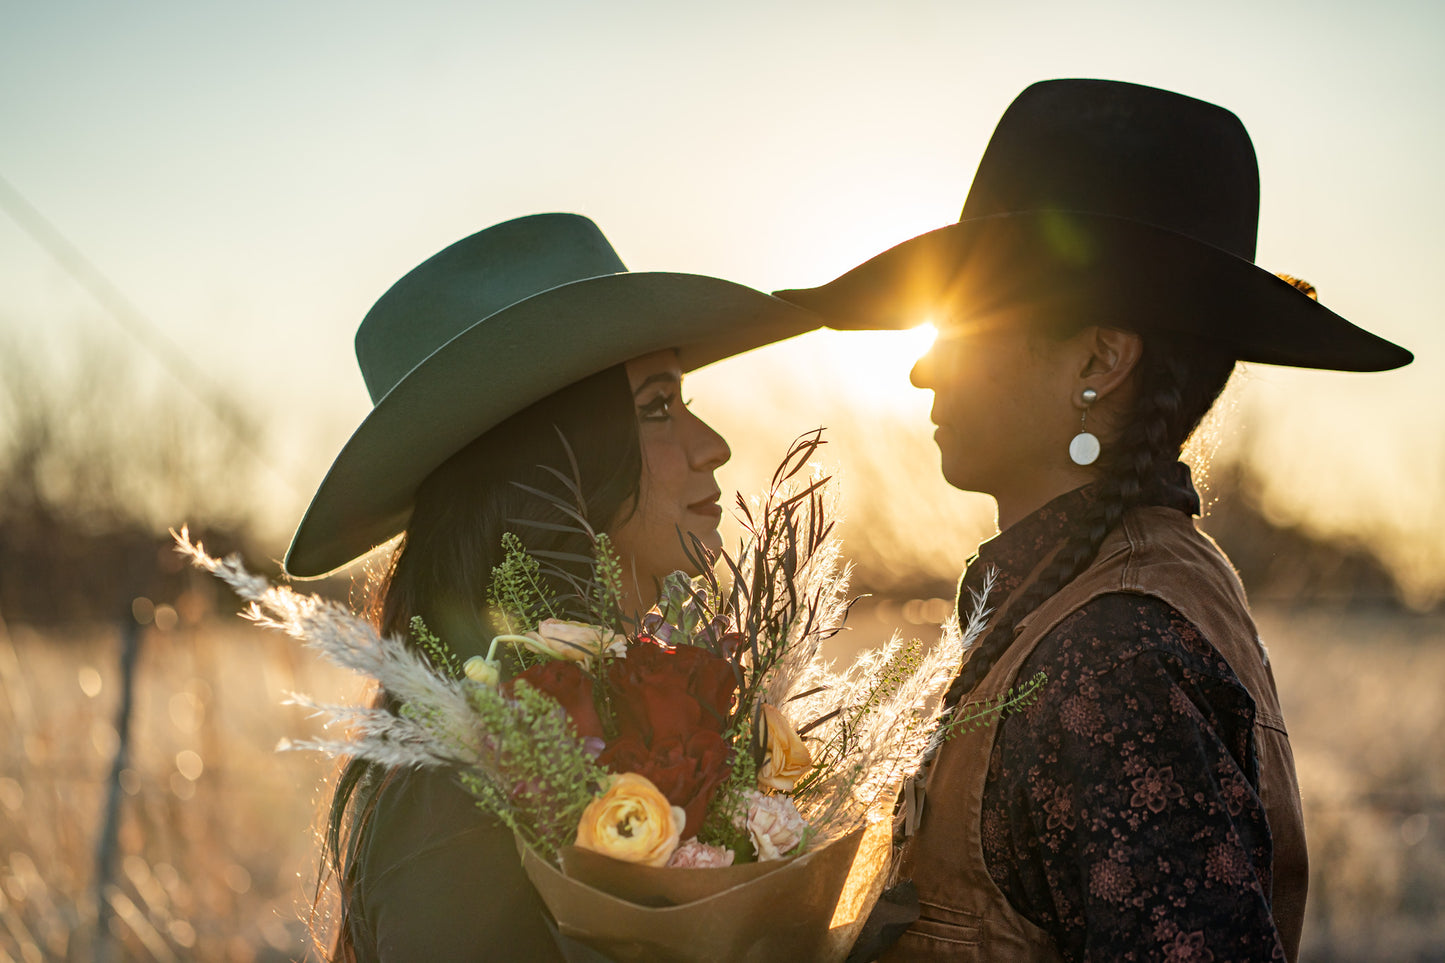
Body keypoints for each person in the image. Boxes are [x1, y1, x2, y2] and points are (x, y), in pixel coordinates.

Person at [777, 80, 1412, 962]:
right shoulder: (1078, 600)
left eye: (962, 321)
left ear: (1100, 358)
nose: (922, 367)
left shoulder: (1112, 654)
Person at [283, 212, 818, 960]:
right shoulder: (455, 793)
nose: (712, 444)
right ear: (547, 458)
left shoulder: (643, 721)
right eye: (657, 407)